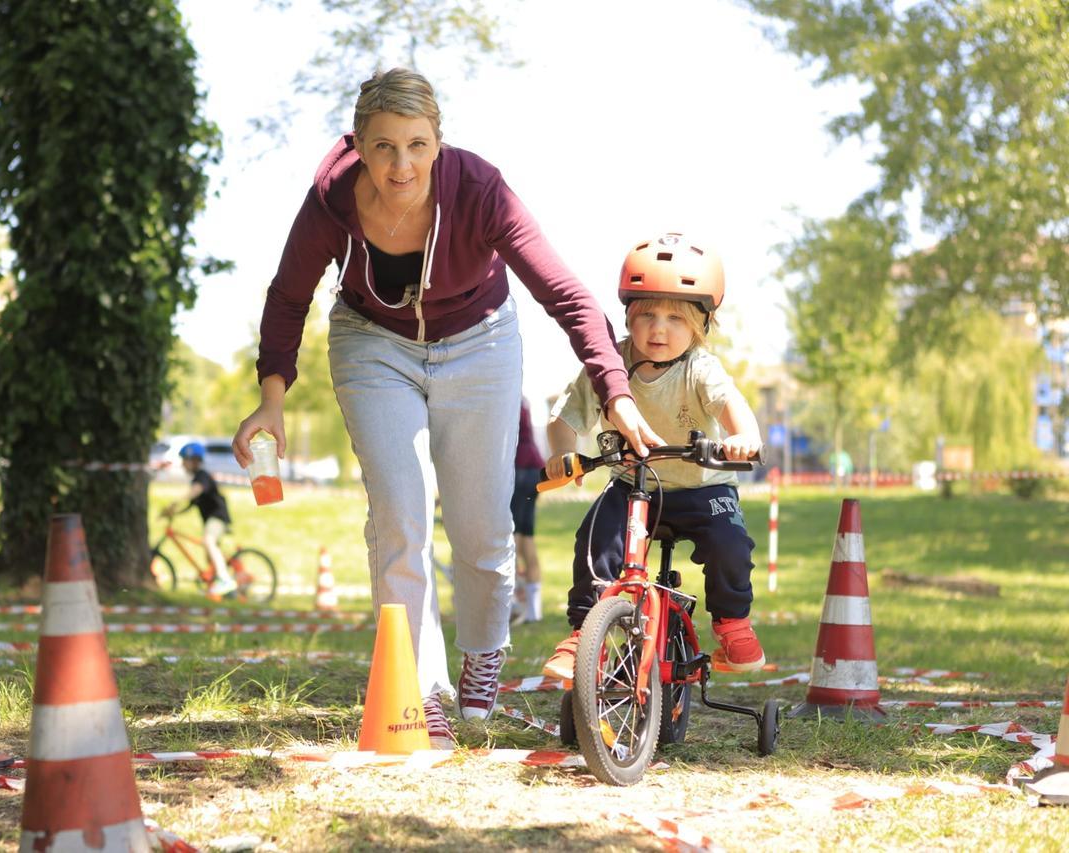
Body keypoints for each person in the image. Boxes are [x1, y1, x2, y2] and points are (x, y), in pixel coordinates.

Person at [232, 68, 659, 749]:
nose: (401, 165)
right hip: (373, 345)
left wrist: (617, 389)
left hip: (481, 343)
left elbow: (566, 294)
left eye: (417, 145)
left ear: (438, 142)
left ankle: (484, 649)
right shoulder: (331, 199)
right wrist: (271, 401)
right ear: (359, 144)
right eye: (383, 147)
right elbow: (288, 297)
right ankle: (422, 686)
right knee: (401, 514)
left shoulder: (479, 190)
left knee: (484, 526)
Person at [541, 232, 767, 680]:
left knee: (730, 547)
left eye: (675, 318)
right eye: (646, 315)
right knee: (595, 540)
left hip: (703, 488)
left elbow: (736, 412)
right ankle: (584, 633)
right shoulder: (610, 364)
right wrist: (563, 452)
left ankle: (733, 624)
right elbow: (566, 419)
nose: (658, 329)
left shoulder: (700, 368)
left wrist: (746, 438)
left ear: (700, 327)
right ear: (628, 316)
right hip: (633, 484)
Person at [161, 441, 237, 599]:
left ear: (194, 460)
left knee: (208, 541)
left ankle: (225, 580)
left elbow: (196, 491)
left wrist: (175, 502)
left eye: (185, 460)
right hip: (211, 519)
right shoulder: (196, 478)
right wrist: (174, 512)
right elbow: (191, 505)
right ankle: (223, 586)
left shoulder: (202, 477)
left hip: (218, 517)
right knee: (210, 555)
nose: (182, 464)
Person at [509, 397, 544, 625]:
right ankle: (534, 610)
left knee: (510, 539)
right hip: (534, 469)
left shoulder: (504, 397)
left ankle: (511, 606)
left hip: (518, 468)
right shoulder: (522, 400)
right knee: (526, 539)